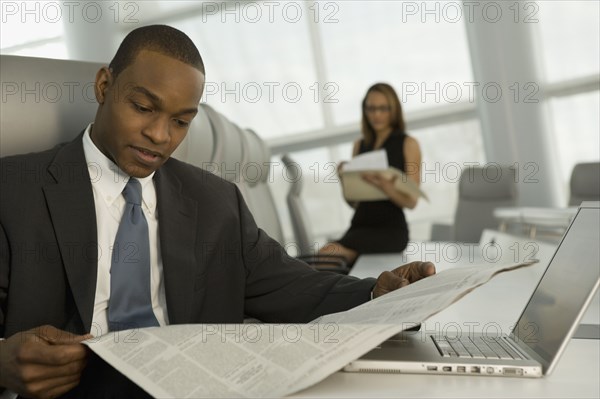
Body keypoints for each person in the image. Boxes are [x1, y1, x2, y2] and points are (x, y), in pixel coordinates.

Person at [0, 26, 434, 398]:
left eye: (180, 122)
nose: (159, 135)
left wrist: (380, 292)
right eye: (143, 107)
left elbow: (298, 287)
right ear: (103, 86)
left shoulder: (216, 202)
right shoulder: (14, 189)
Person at [320, 83, 423, 266]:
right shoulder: (359, 145)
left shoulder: (408, 144)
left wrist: (386, 187)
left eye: (383, 108)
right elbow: (354, 203)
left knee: (326, 256)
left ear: (394, 110)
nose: (376, 114)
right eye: (371, 108)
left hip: (389, 230)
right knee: (324, 258)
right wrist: (344, 180)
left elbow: (412, 201)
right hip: (359, 225)